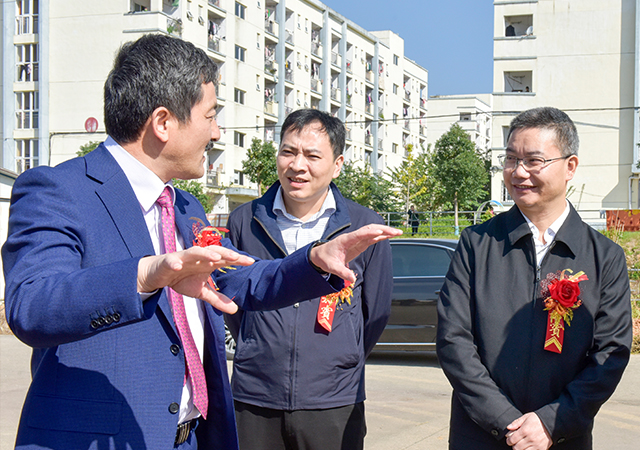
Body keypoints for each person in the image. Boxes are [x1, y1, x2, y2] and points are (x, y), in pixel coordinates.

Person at [1, 34, 400, 450]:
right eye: (210, 116)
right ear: (163, 123)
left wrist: (313, 262)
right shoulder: (59, 190)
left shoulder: (184, 205)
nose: (216, 132)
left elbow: (240, 278)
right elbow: (32, 305)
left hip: (189, 438)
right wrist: (145, 275)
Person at [436, 107, 632, 450]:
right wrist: (506, 422)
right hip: (481, 435)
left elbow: (610, 354)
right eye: (511, 159)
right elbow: (454, 340)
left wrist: (551, 422)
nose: (518, 172)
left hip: (561, 438)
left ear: (570, 166)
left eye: (533, 161)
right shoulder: (477, 244)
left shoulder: (604, 257)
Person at [224, 109, 393, 450]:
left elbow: (375, 312)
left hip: (334, 401)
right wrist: (257, 344)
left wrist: (340, 356)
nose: (297, 165)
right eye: (288, 152)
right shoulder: (244, 221)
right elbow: (235, 302)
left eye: (312, 156)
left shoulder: (364, 227)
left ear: (337, 164)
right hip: (255, 396)